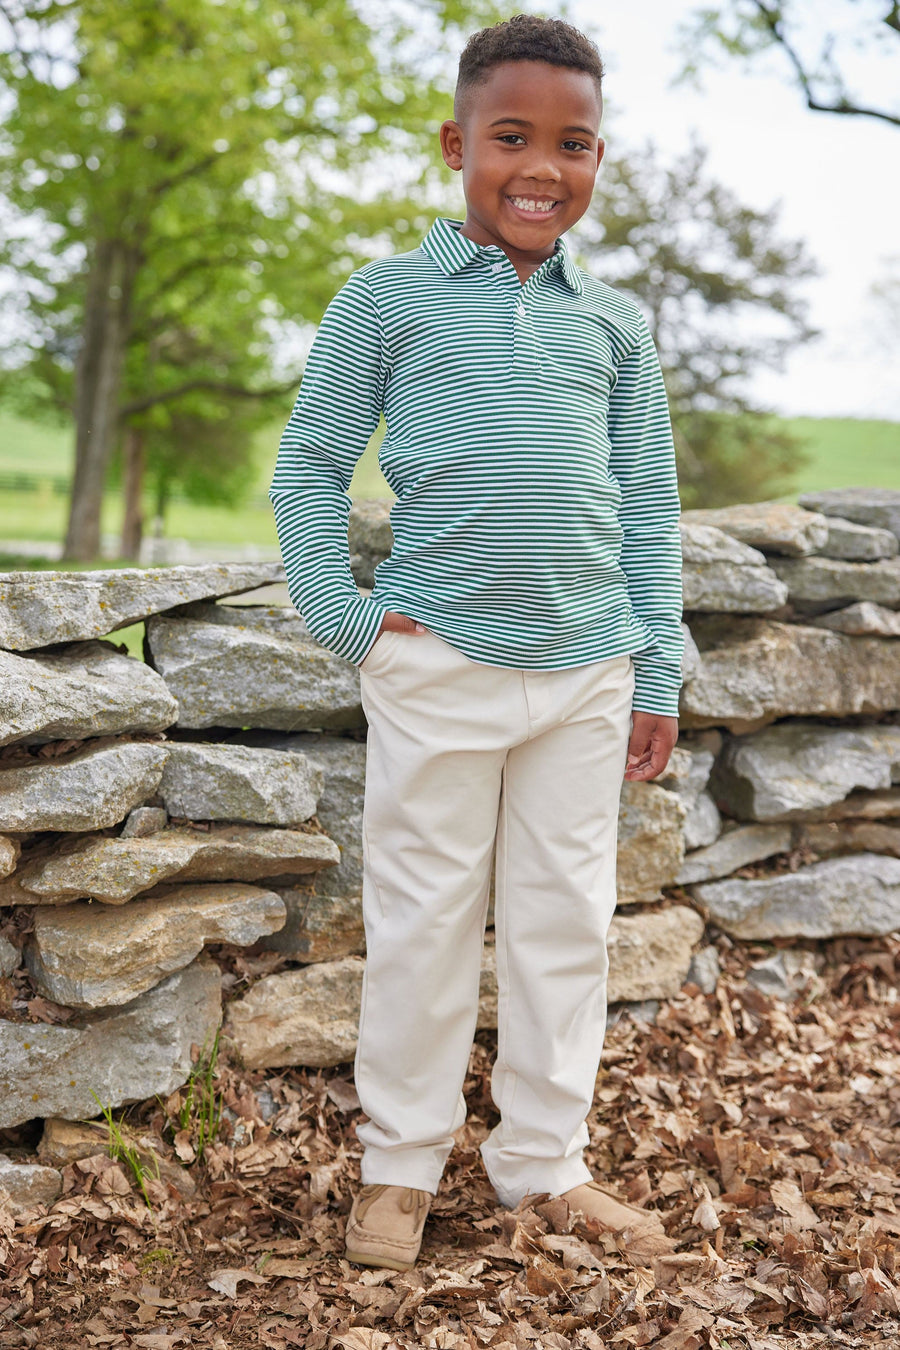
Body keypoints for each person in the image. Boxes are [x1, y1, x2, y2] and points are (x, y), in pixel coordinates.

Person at [269, 13, 684, 1273]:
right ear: (458, 146)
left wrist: (656, 667)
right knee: (423, 926)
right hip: (436, 665)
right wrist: (347, 619)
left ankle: (545, 1168)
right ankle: (398, 1168)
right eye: (512, 137)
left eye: (574, 144)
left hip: (587, 673)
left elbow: (649, 506)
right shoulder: (384, 299)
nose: (542, 167)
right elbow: (308, 468)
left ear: (598, 158)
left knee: (567, 926)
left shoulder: (613, 324)